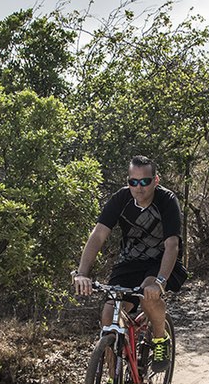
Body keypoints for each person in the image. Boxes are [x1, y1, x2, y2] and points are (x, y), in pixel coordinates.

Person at [72, 155, 182, 372]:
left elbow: (172, 245)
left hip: (160, 262)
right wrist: (82, 272)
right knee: (108, 315)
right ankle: (113, 379)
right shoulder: (121, 199)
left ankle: (161, 339)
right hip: (130, 261)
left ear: (156, 180)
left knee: (148, 295)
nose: (138, 188)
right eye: (133, 182)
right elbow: (98, 235)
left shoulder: (167, 200)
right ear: (128, 181)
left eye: (145, 182)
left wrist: (159, 282)